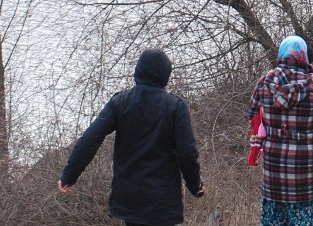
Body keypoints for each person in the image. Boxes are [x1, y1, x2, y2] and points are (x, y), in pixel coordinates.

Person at [59, 48, 204, 226]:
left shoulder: (120, 103)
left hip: (130, 198)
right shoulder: (175, 107)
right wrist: (195, 185)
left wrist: (69, 175)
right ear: (166, 74)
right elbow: (187, 152)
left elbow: (91, 138)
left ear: (138, 70)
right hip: (162, 200)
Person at [248, 36, 313, 225]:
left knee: (275, 219)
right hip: (309, 171)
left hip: (274, 172)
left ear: (281, 54)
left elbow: (252, 114)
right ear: (304, 56)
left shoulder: (264, 83)